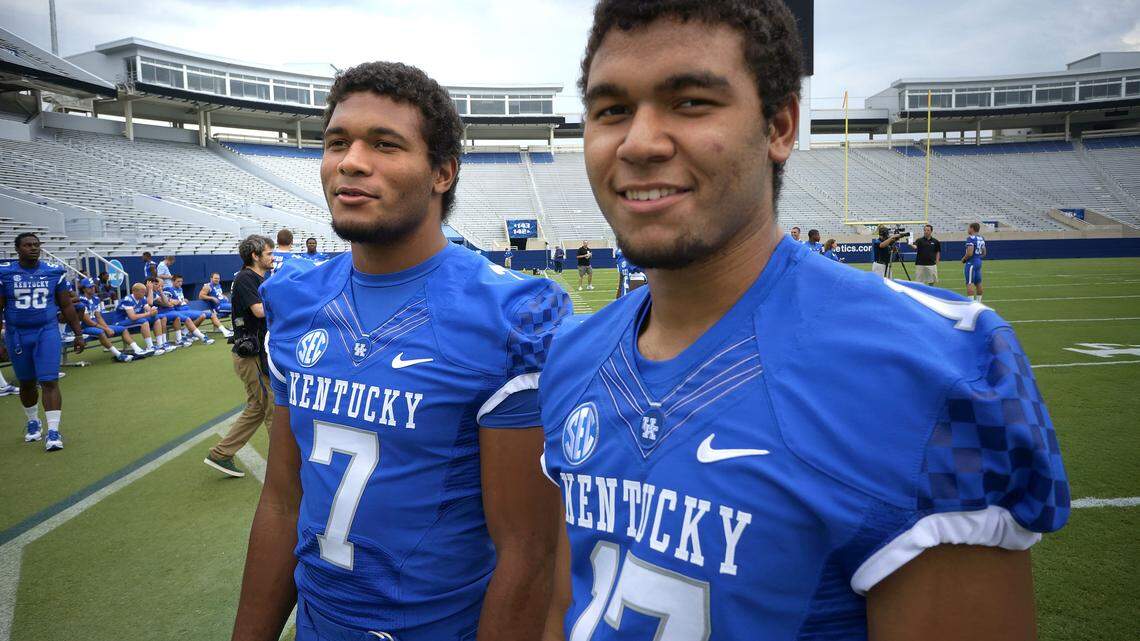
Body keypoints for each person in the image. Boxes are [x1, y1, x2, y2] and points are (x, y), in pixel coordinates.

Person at [540, 2, 1069, 640]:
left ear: (780, 125)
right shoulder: (574, 355)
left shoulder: (920, 372)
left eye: (690, 102)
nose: (640, 142)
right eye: (612, 110)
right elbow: (566, 608)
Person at [231, 61, 567, 641]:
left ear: (442, 173)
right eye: (337, 142)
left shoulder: (509, 315)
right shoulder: (294, 296)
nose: (351, 161)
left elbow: (528, 552)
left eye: (384, 144)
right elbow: (285, 500)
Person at [0, 233, 85, 451]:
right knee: (27, 383)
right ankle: (32, 421)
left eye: (36, 245)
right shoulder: (5, 274)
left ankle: (54, 431)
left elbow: (66, 306)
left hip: (46, 332)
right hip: (17, 334)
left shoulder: (53, 272)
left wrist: (78, 333)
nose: (33, 248)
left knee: (49, 381)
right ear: (17, 249)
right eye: (28, 245)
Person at [204, 234, 275, 479]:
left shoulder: (255, 277)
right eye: (268, 253)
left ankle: (221, 454)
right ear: (255, 256)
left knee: (257, 408)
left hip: (254, 354)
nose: (273, 257)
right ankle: (284, 466)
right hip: (252, 356)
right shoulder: (247, 278)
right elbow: (259, 311)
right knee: (273, 408)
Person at [74, 278, 135, 362]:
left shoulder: (95, 298)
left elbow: (99, 317)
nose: (92, 288)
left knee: (123, 329)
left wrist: (107, 327)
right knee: (100, 332)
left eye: (93, 286)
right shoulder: (81, 300)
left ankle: (137, 350)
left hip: (95, 325)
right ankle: (118, 355)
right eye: (89, 287)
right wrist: (105, 329)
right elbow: (87, 321)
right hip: (83, 327)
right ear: (84, 289)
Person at [165, 275, 215, 345]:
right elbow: (167, 301)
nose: (180, 283)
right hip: (179, 311)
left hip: (187, 309)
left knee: (206, 314)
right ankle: (191, 334)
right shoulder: (169, 289)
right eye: (178, 281)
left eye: (181, 281)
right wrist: (174, 301)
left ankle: (186, 332)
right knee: (203, 315)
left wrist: (184, 300)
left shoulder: (180, 289)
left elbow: (181, 300)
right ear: (172, 281)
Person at [117, 283, 163, 355]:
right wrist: (148, 313)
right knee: (143, 321)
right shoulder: (128, 300)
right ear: (134, 291)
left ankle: (160, 344)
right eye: (142, 292)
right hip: (120, 322)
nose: (144, 294)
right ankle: (150, 347)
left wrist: (153, 311)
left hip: (133, 321)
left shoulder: (143, 298)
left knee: (156, 318)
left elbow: (148, 310)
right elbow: (133, 317)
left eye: (145, 292)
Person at [146, 277, 181, 351]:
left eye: (159, 285)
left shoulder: (155, 293)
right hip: (144, 316)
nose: (158, 286)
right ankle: (160, 344)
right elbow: (150, 302)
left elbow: (165, 302)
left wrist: (161, 292)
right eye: (156, 284)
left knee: (168, 317)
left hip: (151, 315)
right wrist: (150, 290)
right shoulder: (145, 291)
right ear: (149, 284)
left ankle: (163, 343)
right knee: (162, 318)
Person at [198, 272, 235, 337]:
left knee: (234, 306)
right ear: (211, 278)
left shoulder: (218, 285)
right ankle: (234, 326)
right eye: (215, 278)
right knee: (235, 307)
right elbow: (200, 296)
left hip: (223, 304)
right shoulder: (208, 286)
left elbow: (218, 294)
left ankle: (217, 328)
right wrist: (212, 298)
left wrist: (224, 296)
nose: (217, 280)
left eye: (218, 278)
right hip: (218, 307)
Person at [963, 222, 987, 301]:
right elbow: (984, 253)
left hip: (971, 262)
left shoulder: (971, 238)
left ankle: (971, 304)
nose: (968, 229)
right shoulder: (981, 238)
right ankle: (978, 302)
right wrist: (978, 258)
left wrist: (964, 259)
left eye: (969, 228)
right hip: (978, 261)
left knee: (969, 283)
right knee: (978, 283)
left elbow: (969, 253)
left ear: (972, 228)